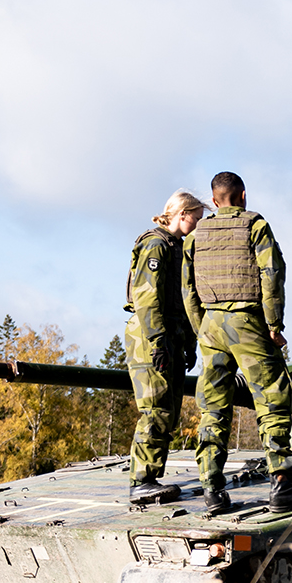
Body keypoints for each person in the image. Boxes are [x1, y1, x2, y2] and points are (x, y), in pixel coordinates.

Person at [183, 171, 292, 514]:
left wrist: (203, 327)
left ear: (214, 201)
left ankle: (212, 491)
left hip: (211, 325)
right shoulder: (255, 226)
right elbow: (272, 274)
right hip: (248, 322)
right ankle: (283, 484)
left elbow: (187, 289)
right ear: (243, 196)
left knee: (213, 406)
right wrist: (274, 325)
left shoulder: (196, 236)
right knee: (272, 396)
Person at [124, 190, 208, 504]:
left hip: (170, 335)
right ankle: (142, 480)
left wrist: (186, 343)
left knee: (169, 413)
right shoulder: (156, 245)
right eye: (196, 218)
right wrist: (158, 342)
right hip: (150, 337)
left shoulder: (178, 248)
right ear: (181, 213)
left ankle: (149, 477)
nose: (197, 225)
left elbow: (183, 302)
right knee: (156, 409)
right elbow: (147, 300)